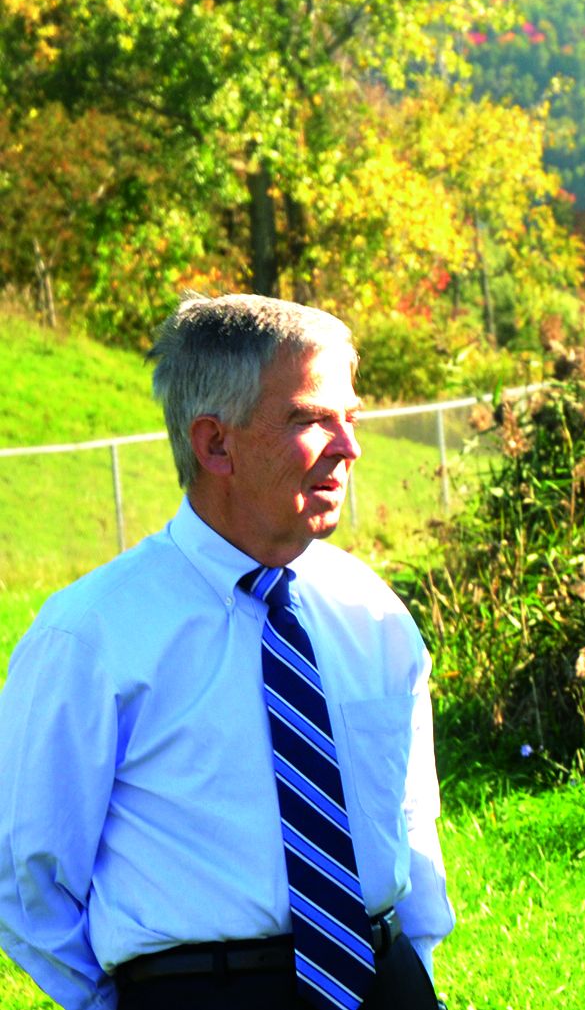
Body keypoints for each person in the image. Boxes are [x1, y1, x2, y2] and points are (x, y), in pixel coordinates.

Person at [0, 295, 451, 1010]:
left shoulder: (373, 614)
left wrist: (413, 975)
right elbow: (28, 872)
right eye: (311, 418)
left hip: (381, 981)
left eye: (351, 417)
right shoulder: (90, 635)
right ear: (215, 444)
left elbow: (410, 819)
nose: (349, 446)